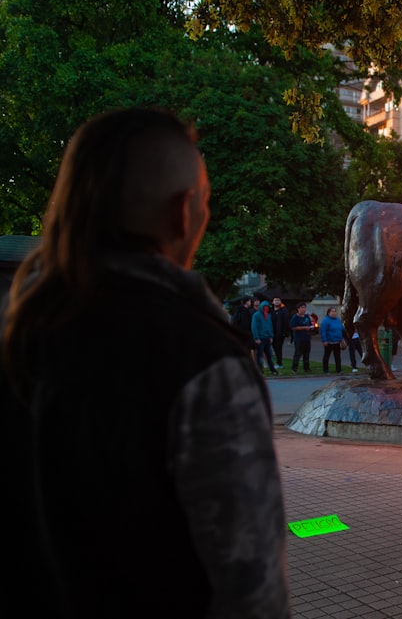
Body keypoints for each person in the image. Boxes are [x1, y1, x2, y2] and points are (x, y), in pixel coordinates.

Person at [0, 108, 289, 617]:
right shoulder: (201, 360)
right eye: (205, 201)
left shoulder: (19, 331)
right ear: (183, 212)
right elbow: (251, 589)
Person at [252, 301, 280, 376]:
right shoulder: (256, 315)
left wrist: (271, 336)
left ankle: (272, 369)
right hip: (260, 338)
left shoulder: (268, 315)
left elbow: (270, 326)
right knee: (259, 355)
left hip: (267, 337)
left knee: (269, 355)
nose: (266, 309)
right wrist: (256, 337)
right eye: (265, 308)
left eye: (267, 308)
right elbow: (254, 327)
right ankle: (260, 370)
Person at [319, 306, 345, 374]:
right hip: (329, 341)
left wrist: (342, 339)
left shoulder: (338, 320)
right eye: (332, 311)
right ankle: (325, 370)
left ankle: (339, 370)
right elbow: (323, 331)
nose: (334, 313)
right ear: (328, 313)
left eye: (335, 311)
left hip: (337, 341)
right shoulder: (326, 321)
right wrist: (324, 340)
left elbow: (341, 329)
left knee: (337, 357)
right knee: (327, 356)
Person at [289, 302, 313, 373]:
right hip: (299, 338)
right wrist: (304, 327)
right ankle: (294, 368)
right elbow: (293, 327)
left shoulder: (307, 317)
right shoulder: (295, 317)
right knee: (298, 354)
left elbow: (310, 324)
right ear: (298, 309)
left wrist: (311, 327)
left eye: (304, 308)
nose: (303, 309)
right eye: (302, 308)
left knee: (307, 354)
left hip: (307, 338)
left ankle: (306, 368)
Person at [231, 296, 256, 360]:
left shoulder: (238, 311)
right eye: (250, 301)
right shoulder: (244, 312)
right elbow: (245, 325)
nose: (251, 303)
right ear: (246, 302)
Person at [271, 297, 290, 368]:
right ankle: (277, 362)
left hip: (280, 333)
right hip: (272, 332)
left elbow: (286, 322)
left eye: (278, 300)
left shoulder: (284, 311)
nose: (277, 302)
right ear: (273, 302)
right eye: (275, 300)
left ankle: (279, 363)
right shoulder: (271, 311)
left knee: (279, 347)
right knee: (274, 347)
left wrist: (285, 332)